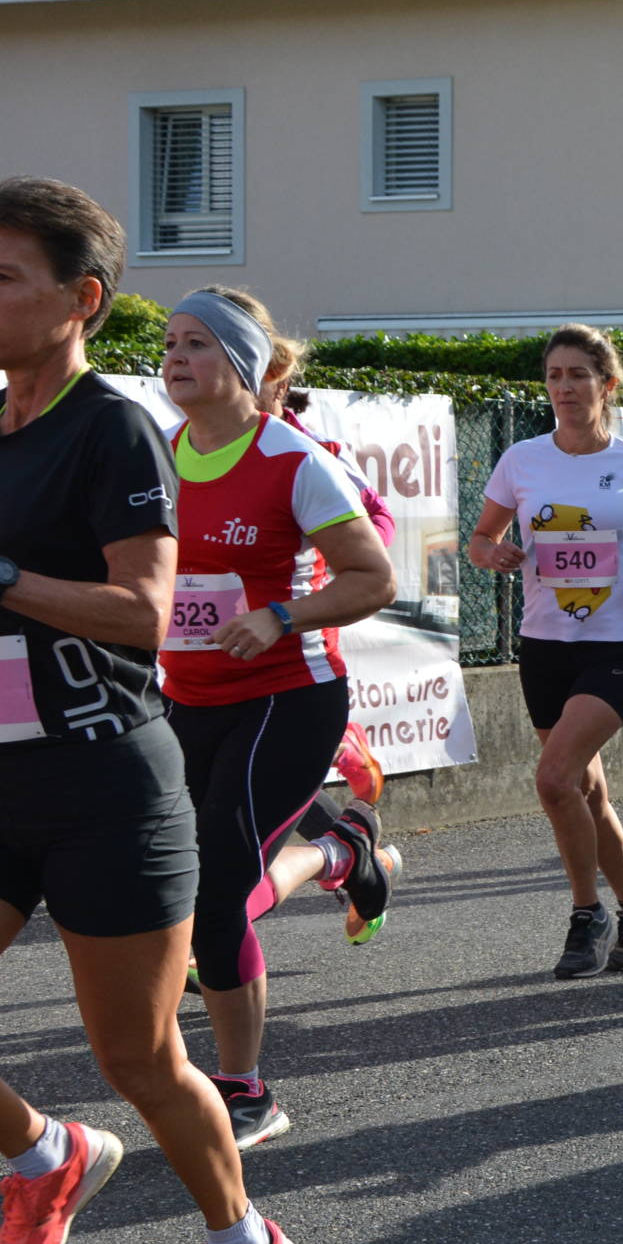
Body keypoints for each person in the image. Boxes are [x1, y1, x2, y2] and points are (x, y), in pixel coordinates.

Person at [0, 177, 294, 1244]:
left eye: (0, 278)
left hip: (107, 789)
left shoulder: (113, 428)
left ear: (83, 300)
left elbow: (142, 613)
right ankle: (43, 1154)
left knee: (138, 1058)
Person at [157, 288, 396, 1150]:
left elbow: (374, 577)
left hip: (286, 698)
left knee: (220, 884)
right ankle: (343, 850)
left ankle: (245, 1089)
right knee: (163, 879)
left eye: (197, 343)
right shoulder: (156, 456)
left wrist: (281, 616)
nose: (176, 357)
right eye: (170, 342)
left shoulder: (294, 459)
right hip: (184, 697)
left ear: (243, 364)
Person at [471, 327, 623, 978]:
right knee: (587, 789)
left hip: (618, 648)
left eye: (578, 374)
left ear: (607, 384)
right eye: (554, 375)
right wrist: (493, 553)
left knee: (554, 779)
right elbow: (479, 539)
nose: (564, 387)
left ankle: (586, 913)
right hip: (545, 647)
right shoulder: (522, 459)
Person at [249, 354, 402, 945]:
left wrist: (327, 559)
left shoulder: (310, 452)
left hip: (292, 647)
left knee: (246, 808)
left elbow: (377, 523)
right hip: (202, 659)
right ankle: (352, 852)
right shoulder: (178, 445)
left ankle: (205, 937)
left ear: (278, 380)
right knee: (243, 796)